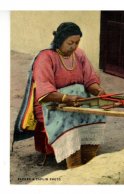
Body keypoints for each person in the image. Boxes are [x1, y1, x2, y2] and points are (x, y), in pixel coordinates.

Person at [32, 22, 106, 168]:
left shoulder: (79, 54)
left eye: (77, 42)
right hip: (54, 105)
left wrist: (97, 91)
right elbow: (45, 91)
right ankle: (74, 163)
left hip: (78, 100)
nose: (74, 46)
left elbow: (89, 79)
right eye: (70, 43)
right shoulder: (45, 57)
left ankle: (88, 156)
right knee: (70, 120)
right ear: (59, 41)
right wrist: (66, 98)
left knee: (98, 110)